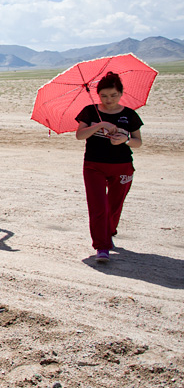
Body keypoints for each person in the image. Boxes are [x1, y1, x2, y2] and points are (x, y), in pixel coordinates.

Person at [74, 71, 143, 262]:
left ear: (121, 93)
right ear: (98, 95)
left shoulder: (129, 115)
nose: (108, 99)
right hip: (94, 165)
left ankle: (109, 232)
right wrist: (100, 124)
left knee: (114, 206)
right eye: (103, 96)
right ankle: (101, 247)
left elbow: (138, 142)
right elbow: (80, 135)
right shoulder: (89, 112)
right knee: (98, 207)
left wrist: (125, 139)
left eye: (113, 95)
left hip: (122, 166)